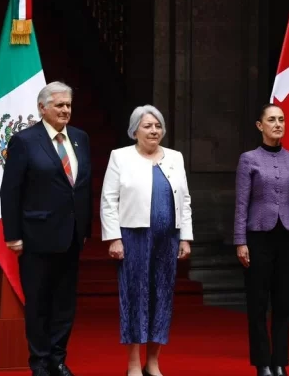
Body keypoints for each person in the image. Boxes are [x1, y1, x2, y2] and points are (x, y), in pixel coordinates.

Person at [0, 81, 92, 376]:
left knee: (65, 304)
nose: (66, 110)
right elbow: (10, 191)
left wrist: (85, 227)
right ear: (42, 108)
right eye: (59, 105)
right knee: (39, 302)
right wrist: (12, 235)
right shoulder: (25, 141)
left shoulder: (80, 138)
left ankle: (58, 358)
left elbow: (82, 187)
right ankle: (39, 362)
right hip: (36, 236)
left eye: (68, 105)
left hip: (72, 236)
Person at [100, 105, 193, 376]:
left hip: (168, 238)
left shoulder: (175, 157)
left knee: (162, 297)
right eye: (147, 126)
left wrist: (185, 237)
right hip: (133, 237)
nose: (154, 131)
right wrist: (114, 238)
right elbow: (109, 200)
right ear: (134, 130)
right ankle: (132, 364)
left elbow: (185, 200)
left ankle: (152, 362)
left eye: (157, 126)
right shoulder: (120, 157)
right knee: (135, 296)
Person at [233, 103, 289, 376]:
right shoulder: (248, 159)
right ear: (260, 125)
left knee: (283, 304)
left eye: (281, 120)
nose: (277, 124)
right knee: (257, 302)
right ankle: (262, 362)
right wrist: (240, 241)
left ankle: (280, 362)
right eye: (271, 120)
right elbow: (242, 203)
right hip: (258, 237)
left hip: (288, 237)